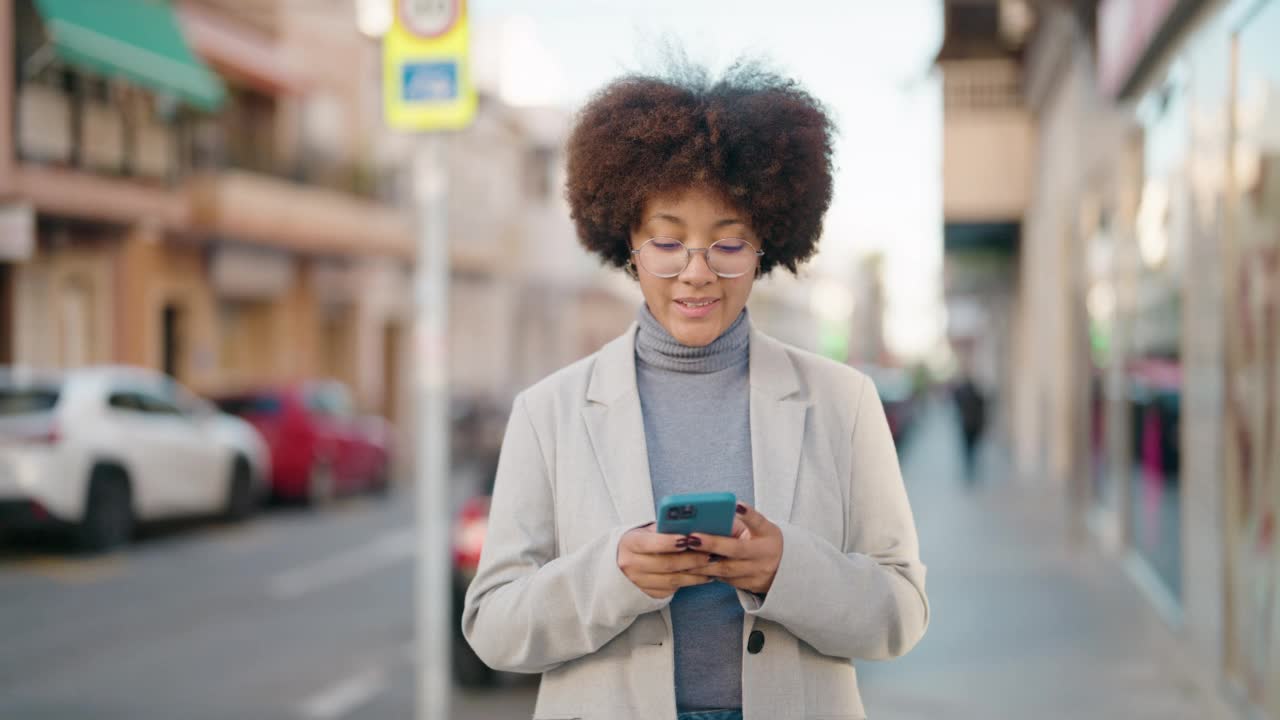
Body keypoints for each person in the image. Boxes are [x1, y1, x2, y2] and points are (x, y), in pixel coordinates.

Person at [462, 62, 929, 720]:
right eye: (668, 241)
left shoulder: (843, 402)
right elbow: (493, 626)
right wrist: (615, 574)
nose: (697, 273)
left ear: (767, 243)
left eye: (729, 243)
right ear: (629, 241)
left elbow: (902, 612)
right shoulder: (549, 412)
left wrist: (785, 570)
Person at [952, 374, 986, 485]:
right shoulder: (976, 396)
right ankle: (971, 465)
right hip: (973, 425)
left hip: (968, 425)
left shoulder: (964, 395)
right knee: (972, 448)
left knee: (968, 448)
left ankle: (969, 465)